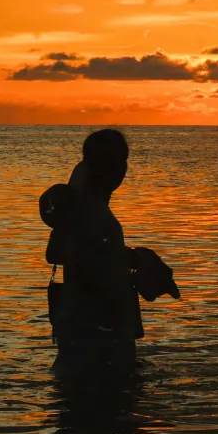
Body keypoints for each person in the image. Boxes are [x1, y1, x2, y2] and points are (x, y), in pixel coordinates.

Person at [44, 129, 177, 378]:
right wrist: (134, 260)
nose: (124, 170)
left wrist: (125, 256)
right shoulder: (91, 210)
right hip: (100, 324)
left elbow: (60, 253)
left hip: (78, 320)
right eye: (122, 161)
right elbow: (80, 255)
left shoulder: (79, 204)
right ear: (114, 167)